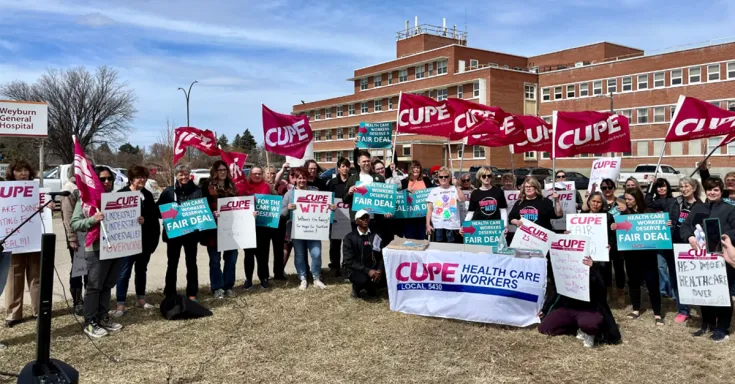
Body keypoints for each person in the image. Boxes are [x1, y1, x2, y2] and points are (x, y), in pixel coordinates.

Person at [71, 166, 134, 338]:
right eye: (102, 179)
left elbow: (126, 219)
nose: (106, 182)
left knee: (107, 285)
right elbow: (75, 223)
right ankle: (90, 322)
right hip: (96, 249)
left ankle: (103, 316)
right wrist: (93, 219)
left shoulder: (117, 198)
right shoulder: (86, 200)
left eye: (109, 179)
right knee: (94, 286)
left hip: (116, 247)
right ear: (95, 180)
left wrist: (137, 220)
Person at [680, 177, 735, 342]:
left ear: (721, 191)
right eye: (709, 189)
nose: (712, 192)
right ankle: (707, 324)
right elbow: (685, 226)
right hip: (701, 259)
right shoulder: (698, 208)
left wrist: (724, 237)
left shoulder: (729, 209)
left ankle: (722, 328)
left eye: (716, 190)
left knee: (722, 293)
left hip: (721, 256)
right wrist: (689, 237)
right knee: (705, 291)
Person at [649, 177, 702, 323]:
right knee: (676, 278)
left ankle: (704, 307)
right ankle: (683, 310)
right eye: (681, 186)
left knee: (695, 278)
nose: (684, 189)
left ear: (694, 188)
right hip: (673, 245)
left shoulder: (700, 205)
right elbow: (652, 205)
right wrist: (666, 222)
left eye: (687, 186)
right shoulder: (674, 202)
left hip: (691, 246)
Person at [539, 256, 621, 347]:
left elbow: (602, 290)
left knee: (590, 326)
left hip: (588, 309)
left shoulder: (596, 267)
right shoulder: (564, 265)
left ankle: (588, 331)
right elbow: (556, 289)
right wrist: (544, 309)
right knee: (545, 328)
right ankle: (577, 328)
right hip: (567, 307)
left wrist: (592, 268)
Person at [112, 165, 161, 316]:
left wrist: (144, 219)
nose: (142, 180)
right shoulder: (121, 194)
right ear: (131, 178)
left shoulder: (147, 194)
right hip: (127, 242)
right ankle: (121, 303)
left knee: (141, 270)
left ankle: (141, 298)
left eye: (144, 177)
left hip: (145, 241)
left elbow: (154, 217)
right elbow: (114, 218)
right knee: (123, 272)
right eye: (139, 177)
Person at [611, 187, 663, 325]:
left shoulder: (649, 213)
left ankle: (657, 313)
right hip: (631, 255)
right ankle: (635, 309)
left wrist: (665, 224)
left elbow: (659, 226)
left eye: (629, 199)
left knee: (653, 284)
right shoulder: (623, 215)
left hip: (648, 256)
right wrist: (615, 227)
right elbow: (620, 233)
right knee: (633, 282)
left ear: (637, 199)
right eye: (625, 199)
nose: (626, 202)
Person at [4, 160, 44, 327]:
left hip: (34, 239)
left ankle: (39, 310)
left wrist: (43, 208)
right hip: (13, 240)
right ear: (12, 173)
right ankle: (14, 314)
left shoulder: (38, 190)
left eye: (26, 170)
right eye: (19, 170)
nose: (24, 174)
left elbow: (48, 210)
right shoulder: (4, 191)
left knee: (36, 276)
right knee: (14, 276)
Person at [282, 167, 334, 290]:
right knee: (299, 255)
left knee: (316, 254)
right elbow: (281, 212)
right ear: (294, 179)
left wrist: (331, 208)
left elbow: (324, 206)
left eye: (304, 177)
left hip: (314, 229)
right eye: (299, 178)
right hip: (297, 229)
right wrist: (288, 208)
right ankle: (303, 278)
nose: (302, 180)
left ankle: (316, 277)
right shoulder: (289, 194)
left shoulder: (315, 191)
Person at [157, 164, 202, 301]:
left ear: (190, 175)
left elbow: (201, 210)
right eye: (181, 174)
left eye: (186, 174)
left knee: (191, 263)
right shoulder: (169, 192)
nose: (183, 177)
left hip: (191, 234)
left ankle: (192, 293)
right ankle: (170, 292)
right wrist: (170, 212)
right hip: (174, 234)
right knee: (172, 263)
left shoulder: (197, 190)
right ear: (176, 176)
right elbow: (159, 212)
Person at [198, 161, 239, 299]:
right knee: (215, 260)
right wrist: (211, 213)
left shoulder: (232, 186)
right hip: (213, 230)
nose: (222, 172)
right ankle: (217, 287)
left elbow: (239, 205)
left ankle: (228, 286)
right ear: (214, 171)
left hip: (231, 229)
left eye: (225, 169)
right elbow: (201, 205)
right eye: (220, 169)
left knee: (231, 258)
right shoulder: (206, 186)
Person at [60, 165, 87, 316]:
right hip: (77, 236)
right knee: (78, 269)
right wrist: (72, 238)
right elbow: (67, 216)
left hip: (92, 234)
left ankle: (90, 298)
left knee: (91, 269)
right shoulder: (70, 188)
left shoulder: (90, 185)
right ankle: (78, 301)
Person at [342, 209, 384, 299]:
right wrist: (368, 271)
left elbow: (381, 255)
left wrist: (379, 270)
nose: (365, 220)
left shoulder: (376, 235)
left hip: (372, 267)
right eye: (362, 218)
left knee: (384, 280)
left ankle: (371, 287)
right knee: (361, 279)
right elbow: (349, 261)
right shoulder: (349, 238)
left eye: (367, 218)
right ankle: (356, 289)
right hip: (356, 269)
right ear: (356, 221)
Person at [597, 178, 627, 303]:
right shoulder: (598, 201)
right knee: (605, 268)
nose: (607, 190)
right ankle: (607, 292)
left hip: (618, 239)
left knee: (619, 267)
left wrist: (625, 209)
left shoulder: (620, 202)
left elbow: (628, 220)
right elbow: (585, 208)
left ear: (614, 188)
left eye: (610, 187)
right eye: (604, 188)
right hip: (603, 239)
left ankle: (620, 293)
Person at [244, 166, 274, 289]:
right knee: (248, 255)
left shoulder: (266, 186)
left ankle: (263, 278)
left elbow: (267, 203)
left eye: (259, 173)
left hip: (263, 225)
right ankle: (249, 280)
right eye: (254, 173)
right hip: (247, 225)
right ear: (250, 175)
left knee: (263, 255)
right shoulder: (245, 186)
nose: (257, 176)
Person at [343, 150, 386, 229]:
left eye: (368, 161)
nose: (366, 163)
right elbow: (345, 200)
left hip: (374, 220)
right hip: (358, 219)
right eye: (364, 161)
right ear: (359, 163)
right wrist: (349, 193)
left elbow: (385, 198)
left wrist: (387, 210)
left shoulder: (379, 178)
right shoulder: (352, 179)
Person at [426, 167, 466, 243]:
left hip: (453, 225)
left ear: (450, 178)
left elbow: (462, 199)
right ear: (438, 178)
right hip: (437, 225)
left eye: (446, 176)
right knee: (437, 251)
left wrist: (457, 186)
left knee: (452, 251)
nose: (443, 178)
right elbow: (429, 210)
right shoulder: (433, 191)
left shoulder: (454, 189)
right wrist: (428, 224)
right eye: (441, 177)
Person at [326, 157, 351, 276]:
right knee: (334, 244)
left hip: (349, 216)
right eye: (343, 166)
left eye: (347, 166)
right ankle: (334, 266)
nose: (345, 168)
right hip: (335, 216)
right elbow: (327, 198)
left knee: (348, 243)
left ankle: (346, 265)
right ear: (339, 168)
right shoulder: (332, 182)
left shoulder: (353, 181)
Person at [400, 160, 434, 240]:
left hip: (423, 217)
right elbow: (398, 195)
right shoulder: (404, 182)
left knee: (422, 240)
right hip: (409, 218)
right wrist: (406, 190)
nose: (416, 169)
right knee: (410, 240)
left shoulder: (426, 180)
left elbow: (433, 194)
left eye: (418, 167)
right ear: (410, 170)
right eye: (414, 167)